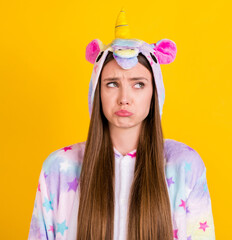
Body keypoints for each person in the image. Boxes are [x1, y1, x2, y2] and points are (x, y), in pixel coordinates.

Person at [28, 8, 215, 240]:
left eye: (138, 84)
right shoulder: (59, 169)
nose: (124, 97)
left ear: (154, 93)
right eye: (112, 84)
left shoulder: (184, 166)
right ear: (97, 93)